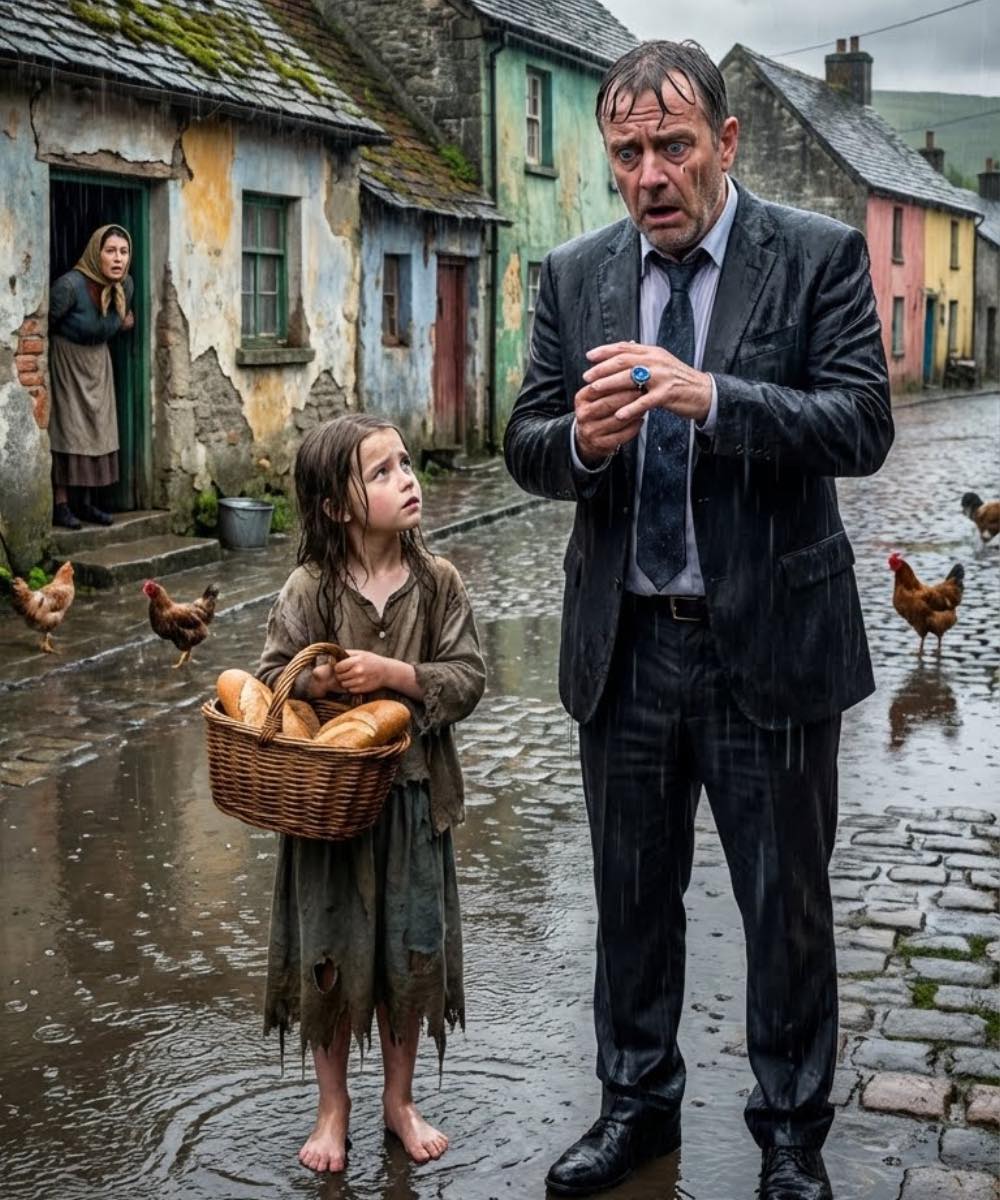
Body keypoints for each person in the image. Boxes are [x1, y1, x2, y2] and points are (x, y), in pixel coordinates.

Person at [504, 40, 893, 1200]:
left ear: (726, 143)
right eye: (626, 152)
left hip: (769, 644)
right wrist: (578, 442)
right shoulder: (572, 276)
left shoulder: (814, 257)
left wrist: (714, 397)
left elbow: (861, 424)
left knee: (785, 905)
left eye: (672, 146)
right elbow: (524, 441)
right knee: (630, 898)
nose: (649, 174)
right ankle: (635, 1107)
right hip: (624, 650)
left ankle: (788, 1134)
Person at [257, 413, 485, 1174]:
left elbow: (469, 677)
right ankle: (332, 1107)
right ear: (336, 506)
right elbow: (267, 683)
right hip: (329, 814)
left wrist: (395, 677)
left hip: (416, 803)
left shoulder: (438, 582)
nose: (406, 479)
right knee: (331, 955)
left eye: (406, 464)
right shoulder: (310, 588)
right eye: (381, 472)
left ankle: (398, 1097)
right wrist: (316, 680)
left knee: (410, 954)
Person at [48, 224, 135, 529]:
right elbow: (46, 324)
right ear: (95, 253)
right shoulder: (69, 287)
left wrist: (121, 324)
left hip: (99, 361)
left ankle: (85, 503)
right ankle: (61, 505)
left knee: (98, 430)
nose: (118, 259)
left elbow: (114, 318)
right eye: (110, 251)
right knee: (68, 429)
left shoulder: (126, 287)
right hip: (67, 361)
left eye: (123, 252)